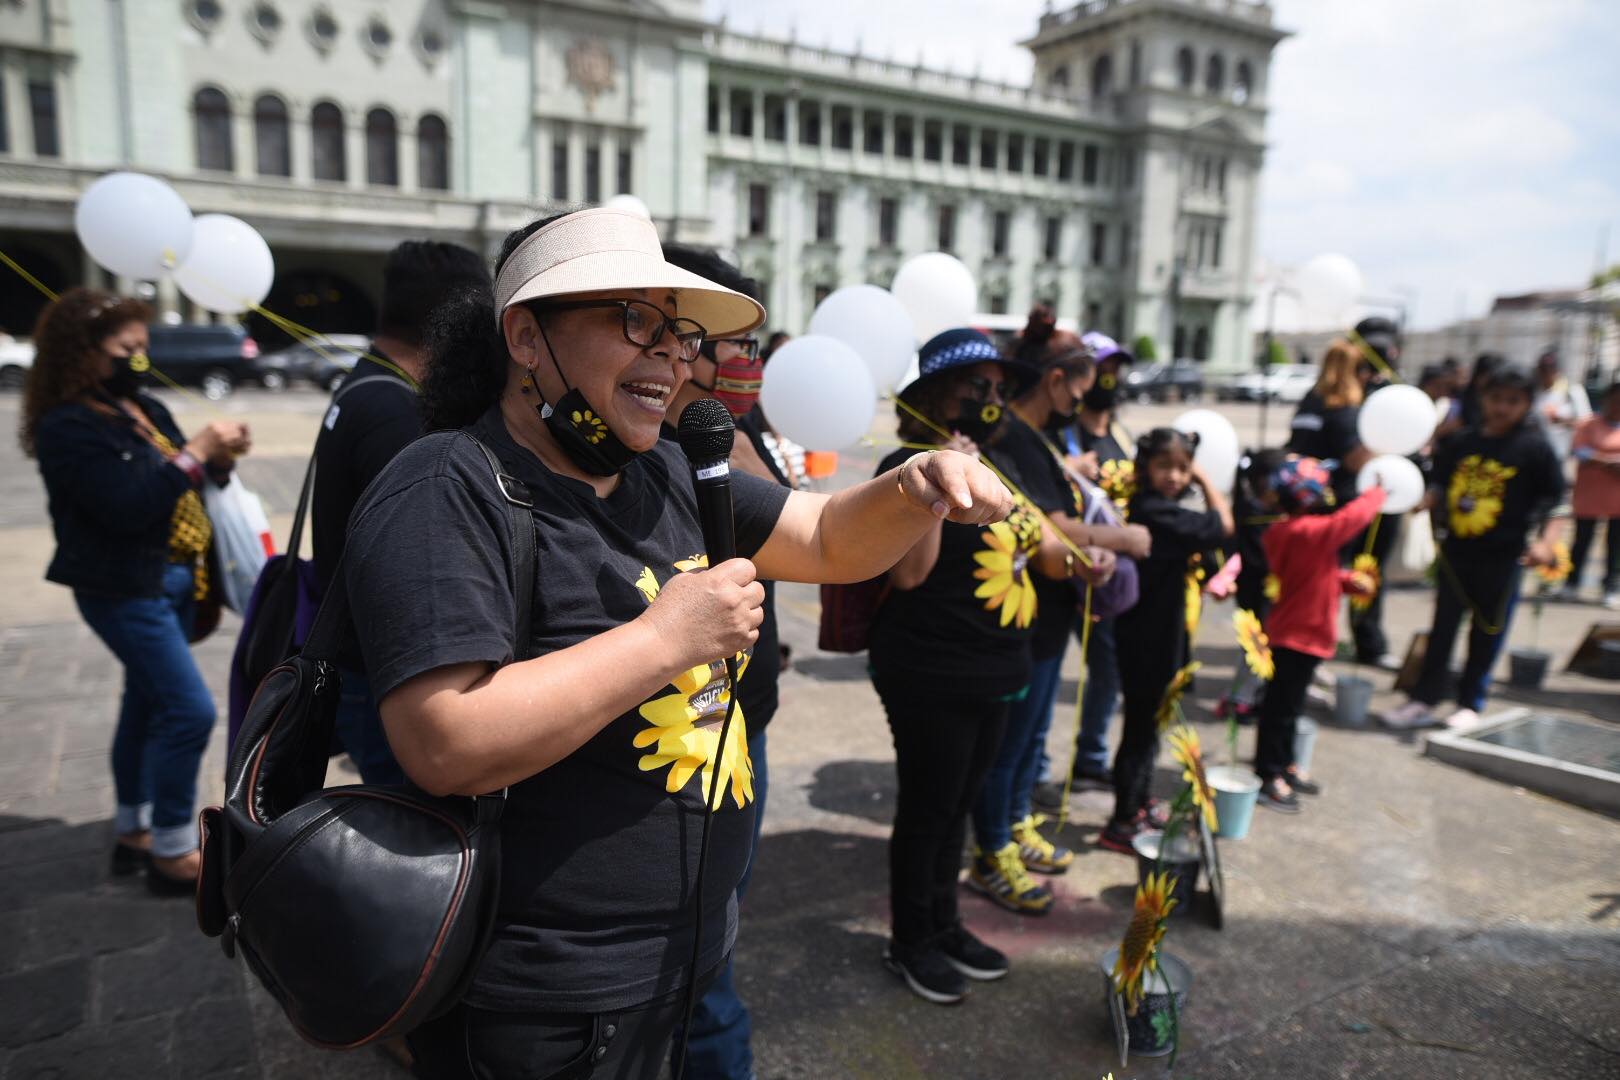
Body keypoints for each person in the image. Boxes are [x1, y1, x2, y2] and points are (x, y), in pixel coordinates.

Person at [345, 208, 1011, 1077]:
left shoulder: (662, 467)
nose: (673, 356)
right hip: (543, 998)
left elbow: (830, 540)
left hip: (679, 958)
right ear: (526, 337)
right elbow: (445, 741)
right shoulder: (446, 487)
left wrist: (914, 487)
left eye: (680, 331)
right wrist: (667, 638)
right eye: (634, 322)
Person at [869, 328, 1091, 999]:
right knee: (929, 812)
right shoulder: (902, 465)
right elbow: (910, 574)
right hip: (931, 672)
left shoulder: (998, 466)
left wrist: (1093, 553)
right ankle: (912, 940)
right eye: (977, 387)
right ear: (938, 394)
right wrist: (940, 476)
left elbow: (1046, 550)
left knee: (962, 807)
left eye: (1000, 389)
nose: (992, 399)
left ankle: (944, 924)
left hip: (1001, 669)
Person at [21, 288, 251, 894]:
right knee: (189, 711)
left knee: (146, 704)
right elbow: (128, 508)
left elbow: (187, 477)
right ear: (82, 354)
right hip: (123, 586)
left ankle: (133, 831)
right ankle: (173, 849)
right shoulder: (67, 426)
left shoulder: (143, 408)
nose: (140, 359)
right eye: (127, 348)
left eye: (144, 347)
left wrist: (219, 458)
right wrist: (195, 454)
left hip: (175, 576)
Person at [658, 244, 777, 1080]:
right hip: (656, 745)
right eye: (715, 339)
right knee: (688, 983)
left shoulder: (721, 431)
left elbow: (815, 529)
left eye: (748, 343)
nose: (740, 361)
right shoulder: (611, 459)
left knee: (713, 940)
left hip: (740, 724)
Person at [969, 320, 1136, 915]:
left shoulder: (1045, 435)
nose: (1078, 407)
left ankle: (1014, 825)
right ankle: (993, 850)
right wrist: (1111, 540)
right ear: (1056, 380)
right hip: (1024, 614)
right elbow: (1041, 525)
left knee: (1032, 735)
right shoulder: (1011, 437)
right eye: (1073, 394)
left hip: (1053, 610)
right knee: (1010, 744)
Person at [312, 240, 490, 785]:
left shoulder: (365, 383)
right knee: (419, 844)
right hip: (384, 673)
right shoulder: (394, 411)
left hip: (361, 659)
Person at [1380, 365, 1566, 730]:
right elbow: (1439, 484)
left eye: (1512, 401)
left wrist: (1547, 543)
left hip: (1504, 554)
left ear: (1526, 404)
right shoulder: (1462, 442)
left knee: (1488, 630)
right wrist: (1424, 499)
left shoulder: (1535, 448)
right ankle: (1424, 698)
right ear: (1483, 398)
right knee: (1442, 628)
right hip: (1456, 554)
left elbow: (1557, 502)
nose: (1502, 408)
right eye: (1496, 398)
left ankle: (1470, 702)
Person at [1100, 428, 1233, 854]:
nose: (1175, 476)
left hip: (1160, 633)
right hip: (1145, 638)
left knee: (1149, 726)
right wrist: (1205, 480)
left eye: (1182, 467)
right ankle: (1122, 819)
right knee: (1140, 729)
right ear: (1144, 468)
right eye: (1165, 467)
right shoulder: (1155, 510)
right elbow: (1222, 526)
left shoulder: (1162, 506)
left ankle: (1137, 803)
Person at [1035, 331, 1136, 803]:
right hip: (1065, 564)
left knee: (1107, 671)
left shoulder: (1120, 431)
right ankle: (1035, 772)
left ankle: (1091, 759)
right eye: (1101, 369)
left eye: (1116, 370)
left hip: (1105, 573)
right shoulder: (1061, 433)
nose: (1108, 379)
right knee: (1048, 672)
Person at [1252, 458, 1385, 812]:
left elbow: (1312, 574)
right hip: (1296, 636)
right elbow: (1348, 522)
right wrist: (1376, 493)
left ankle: (1284, 765)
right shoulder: (1303, 531)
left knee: (1291, 708)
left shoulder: (1300, 534)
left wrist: (1345, 582)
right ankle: (1268, 775)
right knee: (1280, 710)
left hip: (1305, 635)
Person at [1287, 340, 1398, 667]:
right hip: (1343, 507)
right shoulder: (1346, 409)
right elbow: (1353, 459)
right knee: (1349, 579)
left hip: (1308, 501)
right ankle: (1357, 645)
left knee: (1315, 579)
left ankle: (1308, 648)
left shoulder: (1310, 402)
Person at [1219, 447, 1289, 722]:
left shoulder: (1253, 505)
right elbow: (1262, 557)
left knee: (1258, 644)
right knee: (1255, 646)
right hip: (1256, 589)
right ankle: (1240, 700)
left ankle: (1249, 694)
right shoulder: (1254, 511)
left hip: (1257, 588)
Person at [1565, 376, 1620, 608]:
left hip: (1616, 498)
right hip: (1588, 495)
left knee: (1615, 545)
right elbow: (1579, 451)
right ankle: (1571, 583)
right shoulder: (1588, 424)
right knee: (1582, 540)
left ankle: (1611, 586)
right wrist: (1606, 461)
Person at [1531, 349, 1591, 459]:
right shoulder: (1531, 391)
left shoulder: (1573, 391)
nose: (1546, 375)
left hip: (1559, 454)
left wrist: (1562, 420)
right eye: (1543, 370)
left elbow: (1585, 424)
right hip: (1532, 453)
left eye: (1550, 370)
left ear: (1557, 371)